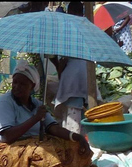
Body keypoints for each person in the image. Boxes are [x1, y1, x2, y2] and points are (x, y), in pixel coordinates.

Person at [0, 61, 93, 167]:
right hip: (1, 150)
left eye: (22, 84)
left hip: (26, 145)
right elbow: (8, 136)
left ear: (32, 87)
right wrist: (35, 118)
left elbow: (52, 128)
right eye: (15, 82)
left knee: (68, 145)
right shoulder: (4, 103)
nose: (16, 86)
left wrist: (76, 137)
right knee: (42, 152)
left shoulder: (36, 104)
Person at [49, 1, 100, 134]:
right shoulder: (88, 27)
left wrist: (60, 69)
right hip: (86, 69)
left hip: (71, 73)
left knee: (72, 108)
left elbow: (62, 58)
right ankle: (87, 135)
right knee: (89, 106)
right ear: (82, 12)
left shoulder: (66, 28)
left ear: (69, 11)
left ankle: (73, 137)